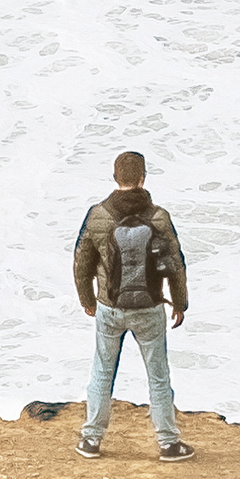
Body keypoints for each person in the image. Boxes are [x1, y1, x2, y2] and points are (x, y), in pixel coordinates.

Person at [71, 147, 191, 459]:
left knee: (102, 372)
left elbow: (81, 264)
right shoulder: (159, 217)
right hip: (150, 309)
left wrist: (87, 301)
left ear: (115, 178)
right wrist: (180, 304)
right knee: (159, 376)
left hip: (109, 308)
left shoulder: (98, 215)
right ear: (143, 178)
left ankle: (91, 440)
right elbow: (176, 266)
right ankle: (168, 443)